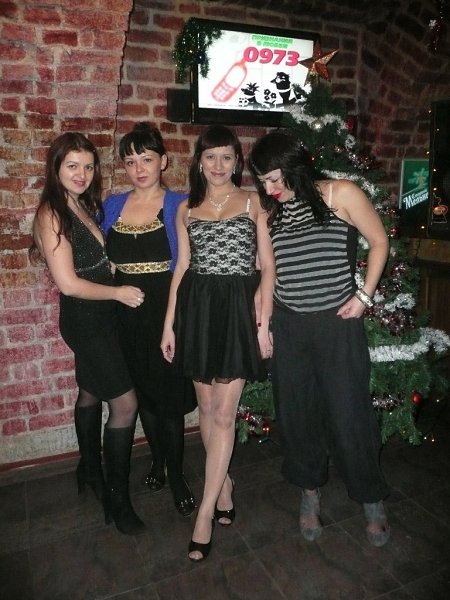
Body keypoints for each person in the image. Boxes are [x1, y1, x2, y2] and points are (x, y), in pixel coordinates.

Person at [248, 130, 391, 547]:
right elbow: (268, 274)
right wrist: (263, 327)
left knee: (350, 413)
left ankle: (370, 496)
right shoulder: (270, 213)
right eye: (263, 182)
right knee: (297, 415)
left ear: (294, 167)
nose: (269, 189)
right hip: (290, 325)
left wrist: (364, 297)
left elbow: (380, 241)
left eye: (274, 179)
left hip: (336, 324)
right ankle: (309, 492)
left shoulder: (340, 193)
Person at [161, 125, 275, 562]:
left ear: (237, 162)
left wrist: (263, 322)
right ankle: (223, 485)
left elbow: (267, 266)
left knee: (225, 414)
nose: (218, 165)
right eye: (210, 156)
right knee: (206, 410)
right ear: (199, 161)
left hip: (238, 312)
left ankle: (204, 513)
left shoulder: (253, 201)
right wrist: (169, 325)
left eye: (227, 157)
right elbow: (182, 267)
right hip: (197, 310)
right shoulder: (186, 208)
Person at [29, 132, 145, 536]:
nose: (82, 174)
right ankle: (117, 498)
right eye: (72, 166)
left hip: (99, 317)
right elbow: (68, 283)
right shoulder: (52, 214)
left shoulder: (79, 205)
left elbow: (93, 263)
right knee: (125, 404)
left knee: (91, 391)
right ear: (56, 168)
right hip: (85, 319)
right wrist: (118, 291)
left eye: (88, 166)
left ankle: (90, 470)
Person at [101, 122, 197, 517]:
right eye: (130, 161)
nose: (139, 168)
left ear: (163, 161)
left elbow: (191, 263)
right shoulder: (111, 205)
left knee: (168, 400)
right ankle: (158, 461)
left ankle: (177, 475)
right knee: (141, 396)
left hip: (165, 310)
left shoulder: (181, 203)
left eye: (146, 159)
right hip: (124, 314)